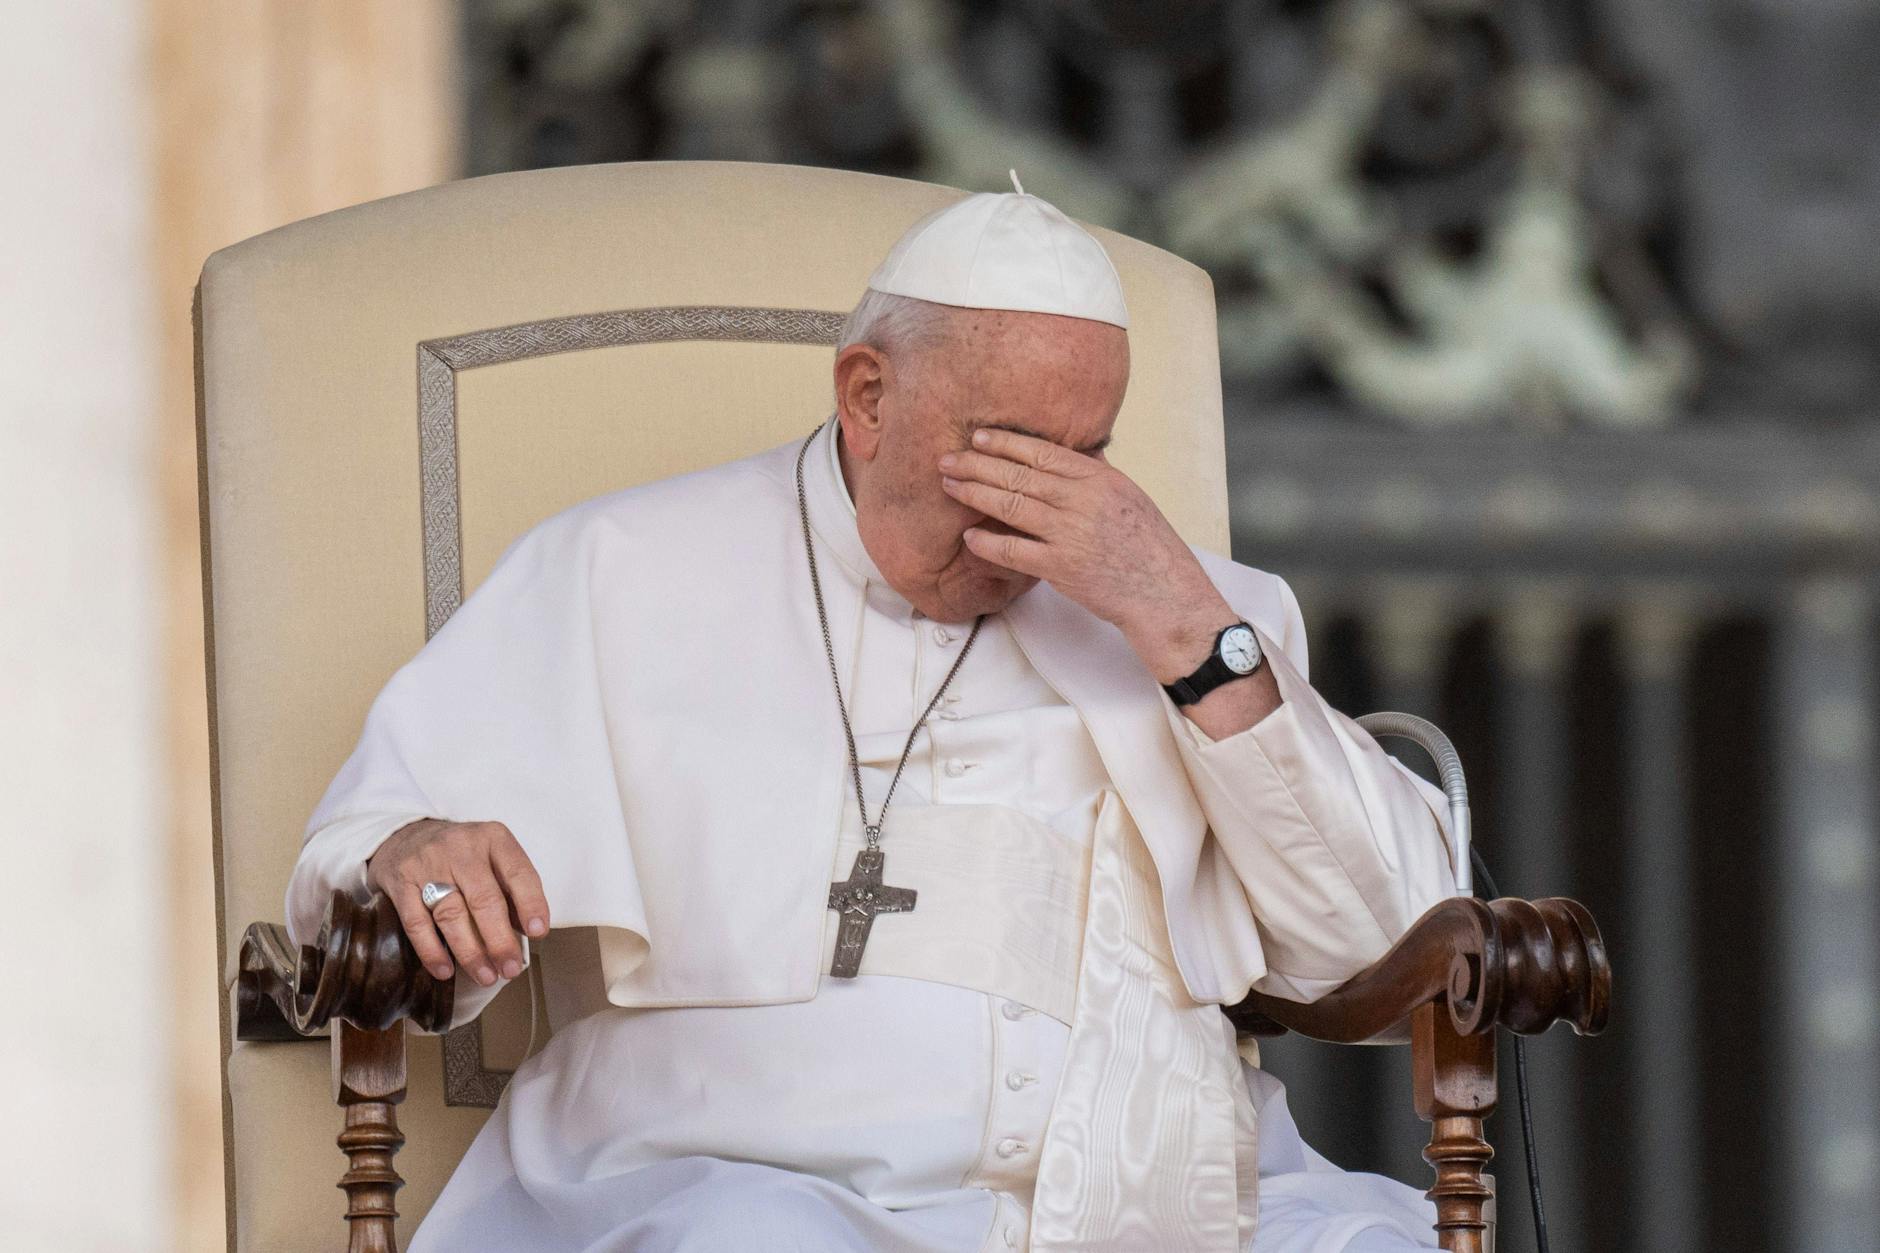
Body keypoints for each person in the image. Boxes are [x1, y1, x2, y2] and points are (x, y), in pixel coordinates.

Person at [286, 172, 1456, 1252]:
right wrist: (411, 853)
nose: (1046, 513)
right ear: (866, 396)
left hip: (1164, 1199)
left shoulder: (1206, 616)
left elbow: (1387, 935)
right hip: (742, 1188)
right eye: (1005, 453)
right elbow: (373, 839)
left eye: (1086, 457)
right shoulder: (617, 568)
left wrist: (1186, 632)